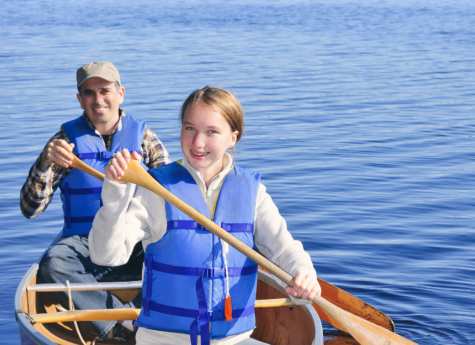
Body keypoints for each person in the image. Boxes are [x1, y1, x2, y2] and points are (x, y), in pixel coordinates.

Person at [89, 86, 321, 345]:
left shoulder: (252, 192)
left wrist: (304, 273)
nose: (198, 143)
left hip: (234, 339)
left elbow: (284, 248)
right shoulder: (157, 190)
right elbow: (105, 255)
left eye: (211, 132)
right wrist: (115, 195)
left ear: (232, 137)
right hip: (163, 339)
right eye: (190, 128)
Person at [20, 61, 171, 342]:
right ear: (80, 100)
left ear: (120, 93)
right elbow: (30, 209)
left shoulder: (147, 141)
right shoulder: (65, 144)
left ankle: (143, 312)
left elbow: (173, 202)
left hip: (133, 242)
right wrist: (44, 160)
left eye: (105, 90)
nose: (98, 99)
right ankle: (119, 327)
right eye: (89, 93)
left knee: (175, 252)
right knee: (53, 264)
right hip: (85, 245)